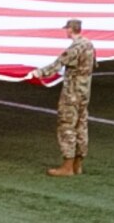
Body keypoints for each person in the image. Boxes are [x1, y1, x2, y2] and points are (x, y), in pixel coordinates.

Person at [32, 19, 96, 177]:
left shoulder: (75, 47)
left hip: (72, 93)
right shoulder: (89, 45)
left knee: (67, 126)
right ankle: (77, 165)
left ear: (70, 29)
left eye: (66, 29)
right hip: (84, 92)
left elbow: (57, 64)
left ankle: (67, 166)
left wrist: (38, 73)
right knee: (81, 126)